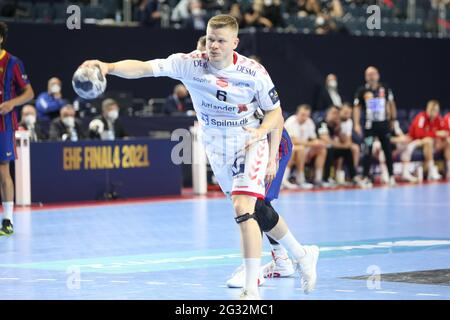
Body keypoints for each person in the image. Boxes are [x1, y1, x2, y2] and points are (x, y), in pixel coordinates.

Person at [80, 14, 319, 300]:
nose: (213, 46)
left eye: (220, 41)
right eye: (209, 39)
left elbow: (275, 112)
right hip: (217, 148)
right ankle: (302, 255)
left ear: (234, 43)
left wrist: (267, 149)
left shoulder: (253, 72)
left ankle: (251, 289)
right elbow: (144, 68)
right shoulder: (190, 63)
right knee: (257, 209)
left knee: (243, 208)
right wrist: (107, 67)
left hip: (249, 139)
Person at [226, 109, 296, 288]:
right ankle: (283, 259)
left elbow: (277, 117)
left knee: (256, 203)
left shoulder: (251, 83)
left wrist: (272, 159)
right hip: (249, 146)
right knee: (252, 203)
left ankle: (255, 270)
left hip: (273, 143)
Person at [0, 22, 35, 236]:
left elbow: (29, 93)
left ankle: (7, 220)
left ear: (1, 38)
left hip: (3, 126)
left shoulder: (13, 62)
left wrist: (12, 103)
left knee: (3, 169)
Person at [354, 66, 397, 187]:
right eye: (368, 74)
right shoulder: (361, 90)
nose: (371, 76)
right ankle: (366, 177)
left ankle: (391, 176)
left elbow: (391, 103)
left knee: (387, 150)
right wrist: (356, 124)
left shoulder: (385, 88)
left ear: (378, 75)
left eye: (373, 74)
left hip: (383, 125)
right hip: (370, 126)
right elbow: (356, 108)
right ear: (365, 77)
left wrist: (393, 119)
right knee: (367, 150)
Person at [317, 106, 365, 187]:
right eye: (333, 113)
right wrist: (343, 146)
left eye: (337, 113)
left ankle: (353, 177)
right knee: (330, 149)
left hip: (333, 148)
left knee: (347, 151)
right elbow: (327, 141)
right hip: (322, 149)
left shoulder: (336, 125)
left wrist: (339, 129)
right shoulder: (322, 123)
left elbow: (344, 140)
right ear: (327, 114)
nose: (335, 115)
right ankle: (326, 178)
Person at [283, 104, 327, 189]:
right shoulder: (291, 121)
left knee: (322, 149)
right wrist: (311, 144)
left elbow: (313, 138)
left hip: (304, 150)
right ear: (297, 113)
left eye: (307, 115)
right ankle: (293, 179)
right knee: (300, 149)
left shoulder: (309, 122)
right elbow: (293, 141)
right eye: (302, 115)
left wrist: (318, 142)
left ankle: (318, 179)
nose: (304, 117)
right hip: (289, 149)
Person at [408, 100, 450, 180]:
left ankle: (449, 169)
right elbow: (418, 134)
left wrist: (441, 137)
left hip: (432, 144)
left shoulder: (438, 119)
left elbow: (444, 132)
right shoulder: (421, 117)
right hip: (417, 142)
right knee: (428, 141)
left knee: (447, 141)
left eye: (437, 110)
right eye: (433, 110)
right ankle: (431, 170)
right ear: (429, 109)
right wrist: (436, 134)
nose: (435, 112)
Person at [335, 103, 360, 184]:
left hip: (343, 143)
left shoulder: (349, 121)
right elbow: (334, 137)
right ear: (340, 111)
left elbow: (348, 139)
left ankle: (353, 175)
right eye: (345, 112)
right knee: (342, 150)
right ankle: (337, 175)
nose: (348, 115)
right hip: (334, 144)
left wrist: (347, 144)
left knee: (355, 148)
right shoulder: (335, 119)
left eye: (349, 113)